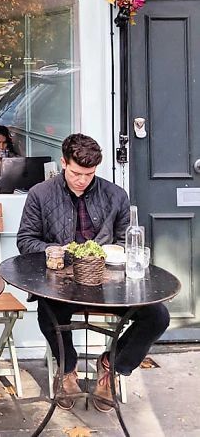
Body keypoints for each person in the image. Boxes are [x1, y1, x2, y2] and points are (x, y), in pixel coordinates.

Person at [17, 133, 170, 412]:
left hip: (110, 283)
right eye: (76, 172)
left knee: (157, 315)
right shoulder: (41, 194)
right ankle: (67, 370)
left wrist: (113, 253)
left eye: (89, 174)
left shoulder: (115, 195)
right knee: (48, 311)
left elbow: (127, 242)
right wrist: (60, 251)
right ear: (63, 163)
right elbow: (26, 241)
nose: (82, 180)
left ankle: (111, 364)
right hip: (59, 282)